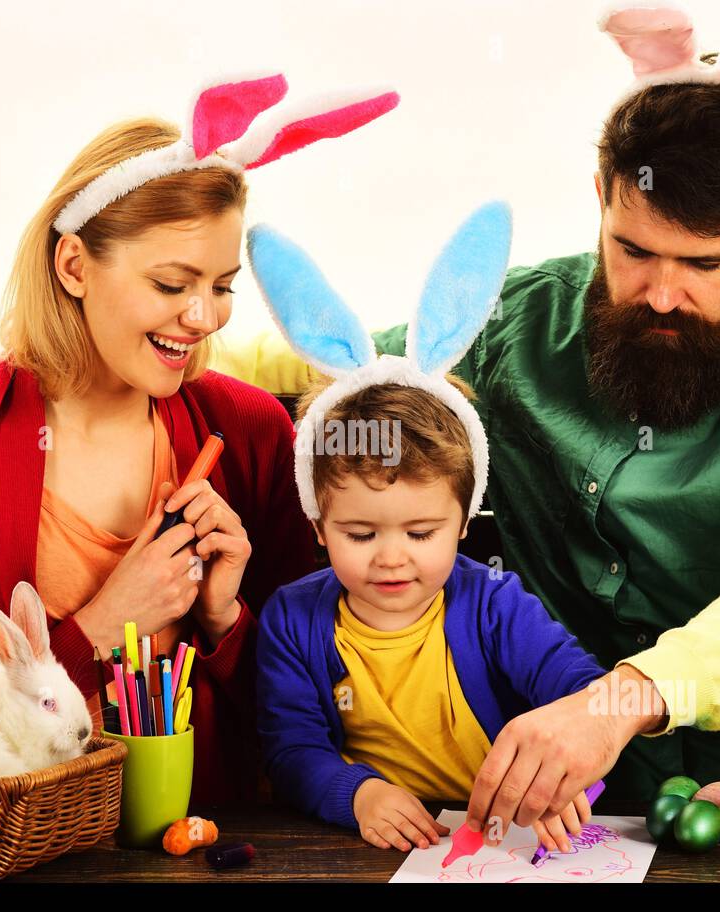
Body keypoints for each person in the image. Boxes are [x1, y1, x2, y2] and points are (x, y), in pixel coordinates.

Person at [219, 38, 720, 832]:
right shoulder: (515, 325)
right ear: (604, 195)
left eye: (704, 264)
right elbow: (332, 365)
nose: (664, 294)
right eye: (633, 250)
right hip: (561, 813)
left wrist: (615, 703)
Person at [0, 75, 396, 804]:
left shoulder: (255, 435)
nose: (205, 317)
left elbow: (320, 726)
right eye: (173, 285)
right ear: (74, 266)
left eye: (224, 285)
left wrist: (226, 621)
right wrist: (100, 628)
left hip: (215, 850)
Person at [247, 205, 659, 852]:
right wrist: (358, 792)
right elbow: (292, 749)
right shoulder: (291, 622)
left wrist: (563, 778)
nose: (392, 559)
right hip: (369, 854)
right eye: (360, 534)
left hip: (503, 848)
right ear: (318, 523)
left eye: (420, 534)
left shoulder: (492, 605)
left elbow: (580, 692)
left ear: (463, 523)